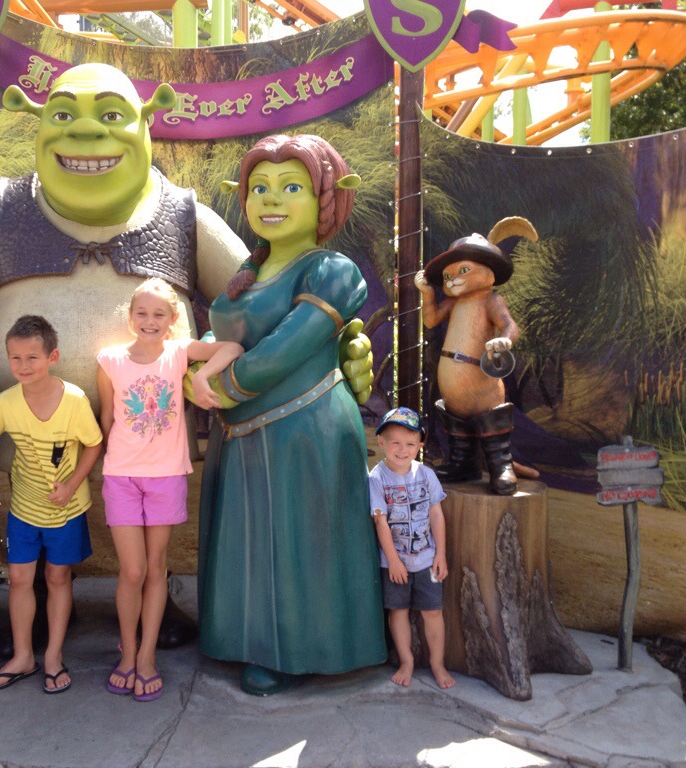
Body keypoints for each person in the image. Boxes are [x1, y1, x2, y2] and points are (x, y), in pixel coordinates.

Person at [197, 134, 386, 695]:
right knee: (249, 542)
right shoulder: (246, 272)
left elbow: (287, 346)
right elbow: (222, 337)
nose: (271, 199)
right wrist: (191, 371)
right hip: (239, 434)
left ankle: (303, 649)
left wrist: (221, 386)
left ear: (328, 198)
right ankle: (243, 639)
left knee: (300, 542)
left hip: (305, 430)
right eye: (259, 188)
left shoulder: (332, 270)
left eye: (291, 187)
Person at [97, 278, 243, 701]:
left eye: (159, 314)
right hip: (122, 476)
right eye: (142, 313)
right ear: (130, 317)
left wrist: (203, 378)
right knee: (132, 571)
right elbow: (107, 419)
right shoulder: (109, 360)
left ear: (173, 319)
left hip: (166, 476)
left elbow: (233, 348)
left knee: (156, 567)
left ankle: (146, 657)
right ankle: (127, 652)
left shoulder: (180, 352)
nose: (150, 321)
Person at [0, 315, 103, 694]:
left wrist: (71, 485)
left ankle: (53, 655)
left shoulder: (75, 400)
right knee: (19, 579)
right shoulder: (5, 403)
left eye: (32, 357)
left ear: (53, 357)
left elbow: (94, 445)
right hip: (24, 508)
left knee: (57, 577)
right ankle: (22, 656)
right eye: (15, 358)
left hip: (66, 509)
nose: (23, 366)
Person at [370, 406, 455, 689]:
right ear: (381, 441)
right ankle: (406, 661)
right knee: (398, 612)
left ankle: (437, 664)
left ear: (420, 445)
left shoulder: (426, 474)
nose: (402, 450)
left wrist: (441, 554)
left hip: (427, 560)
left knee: (433, 612)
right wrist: (393, 560)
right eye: (395, 442)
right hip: (394, 563)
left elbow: (436, 515)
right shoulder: (377, 478)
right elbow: (380, 522)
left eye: (410, 443)